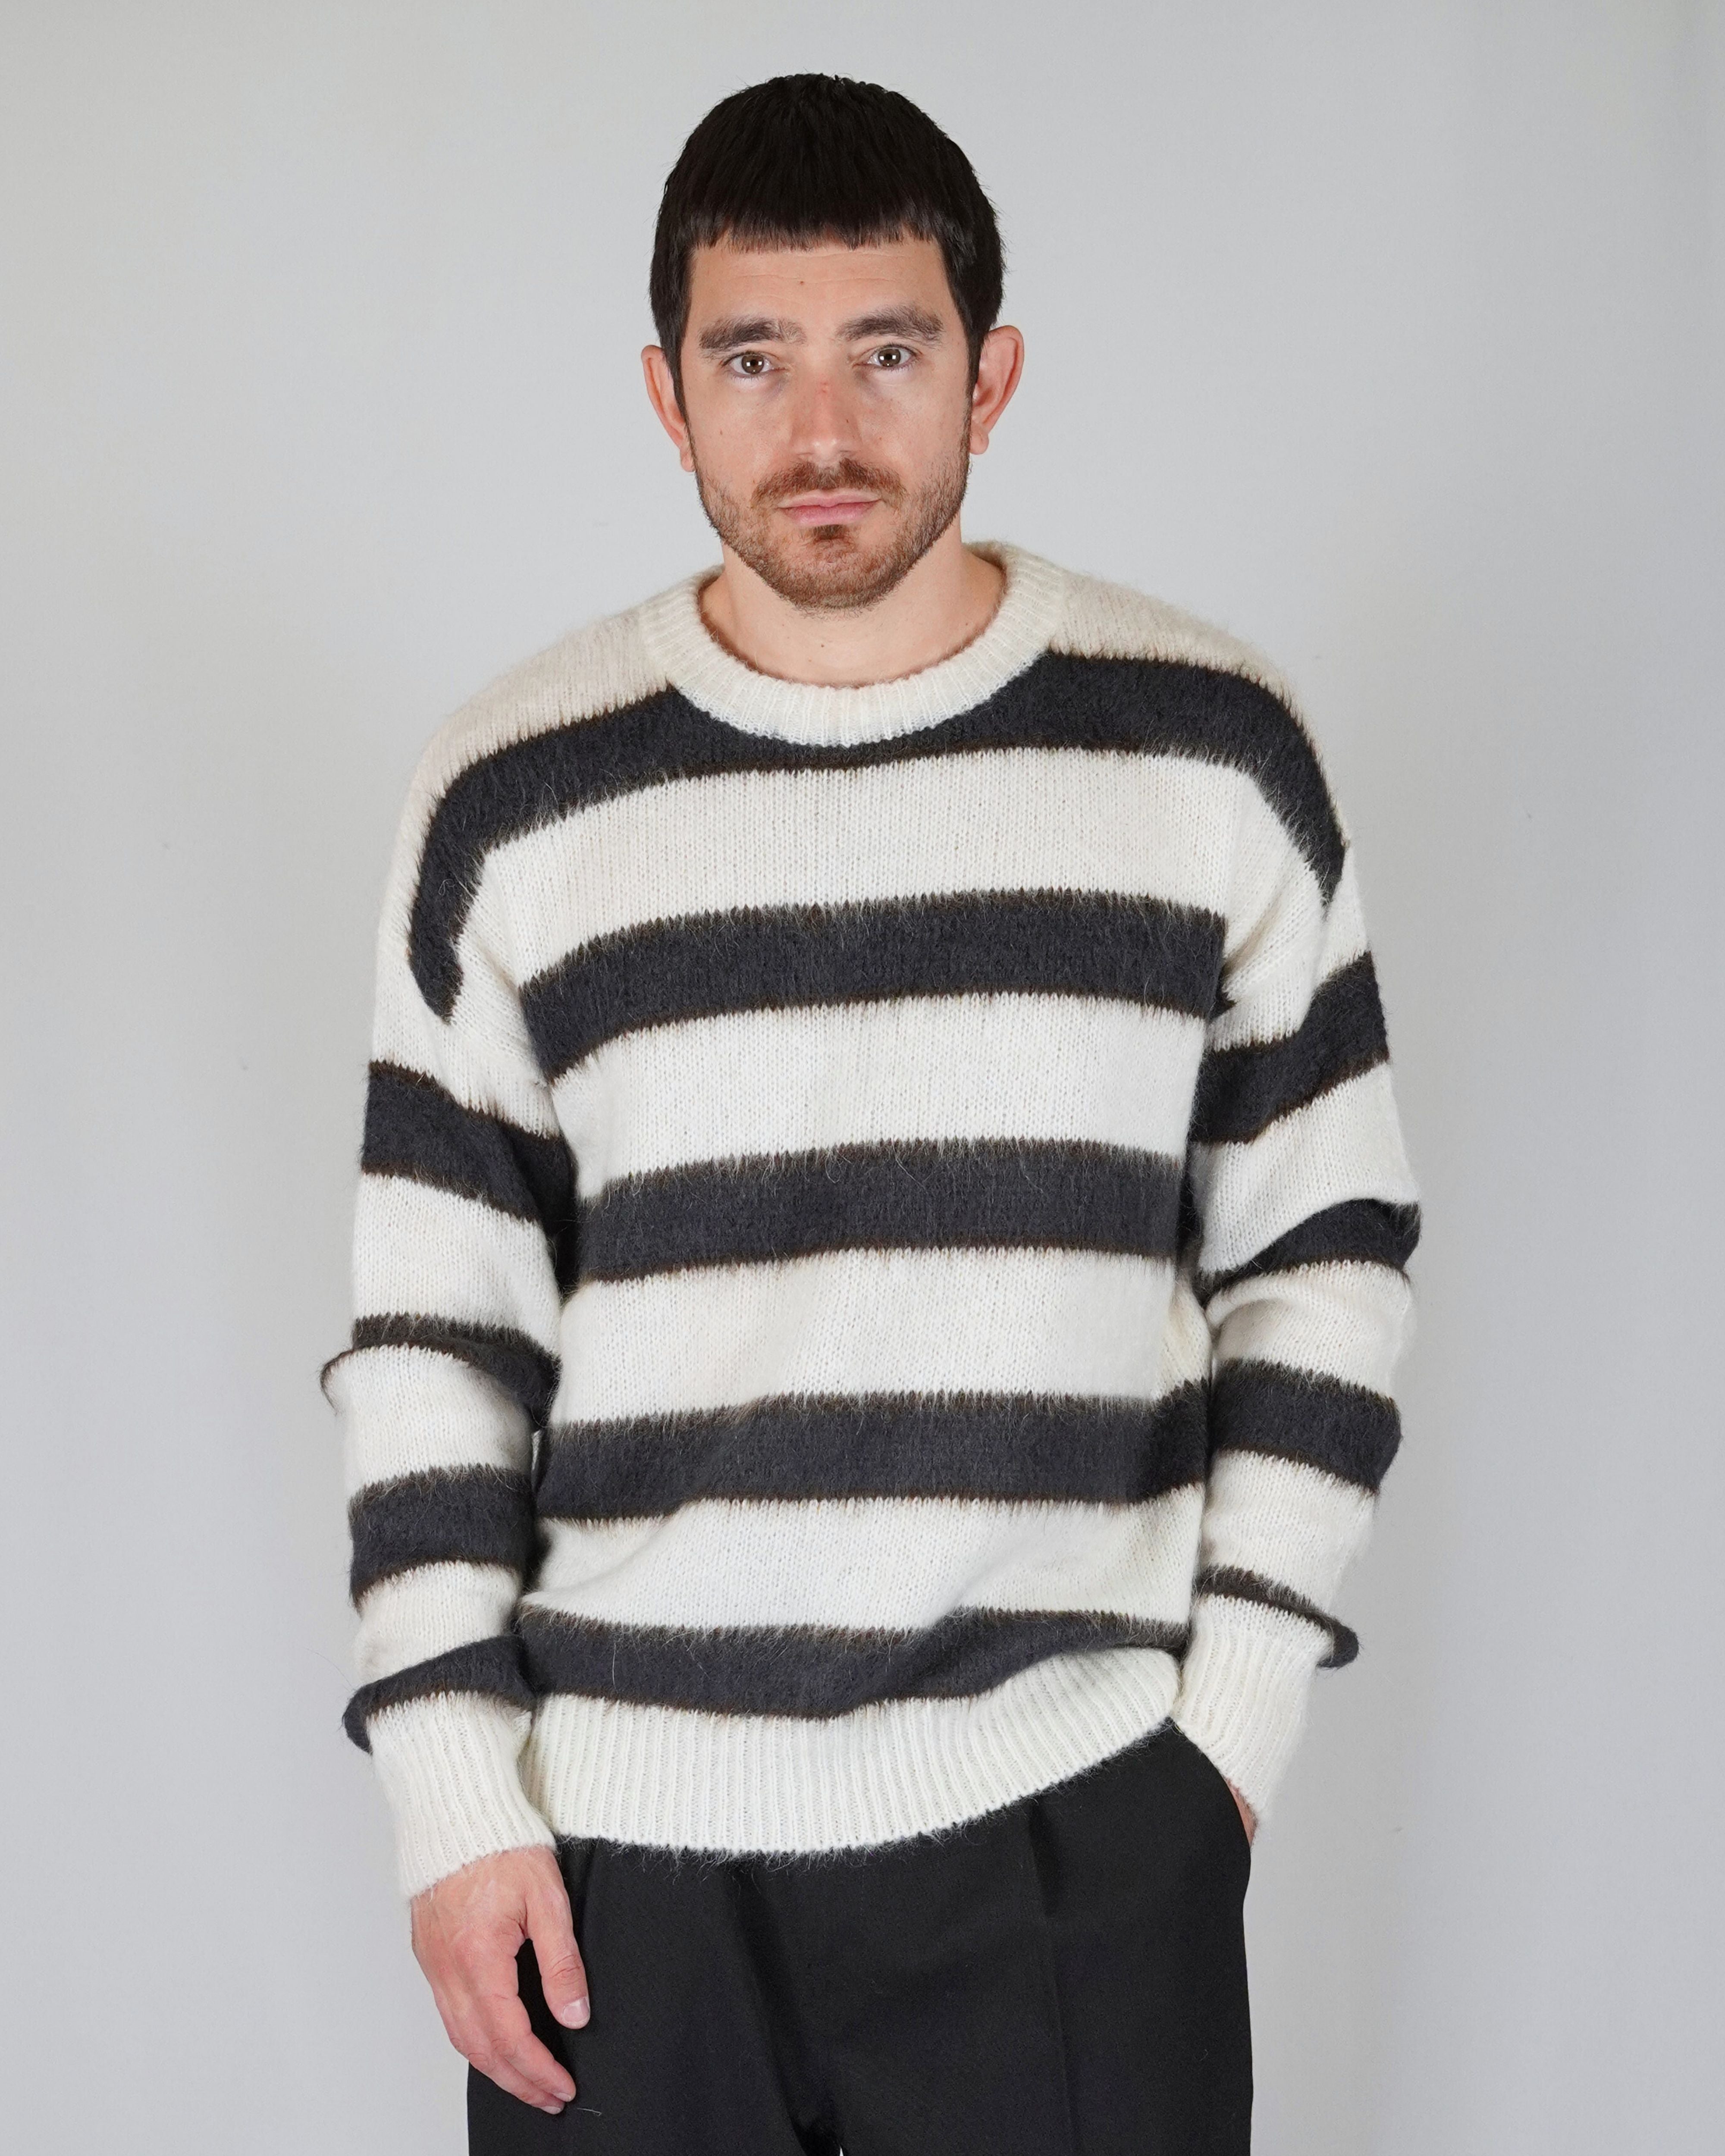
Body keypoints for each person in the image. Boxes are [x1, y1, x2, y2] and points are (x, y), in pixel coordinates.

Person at [321, 72, 1422, 2155]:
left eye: (887, 353)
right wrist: (454, 1793)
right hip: (621, 1868)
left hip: (1070, 1829)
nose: (820, 431)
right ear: (667, 393)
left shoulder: (1205, 756)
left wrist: (1222, 1743)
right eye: (753, 358)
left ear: (988, 374)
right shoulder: (516, 798)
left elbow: (1325, 1255)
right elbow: (433, 1338)